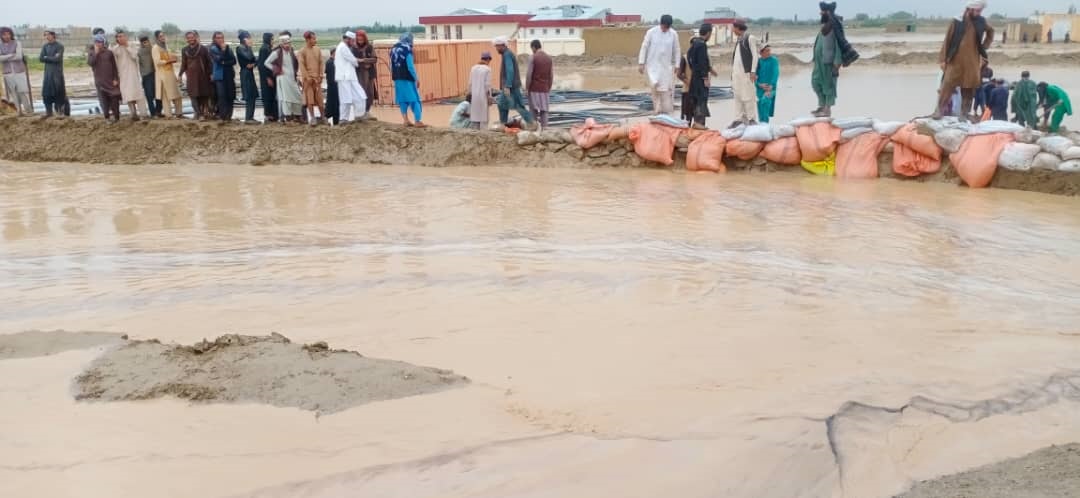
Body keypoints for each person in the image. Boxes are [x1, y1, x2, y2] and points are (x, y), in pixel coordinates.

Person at [935, 1, 995, 121]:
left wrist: (984, 46)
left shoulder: (981, 21)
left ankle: (964, 113)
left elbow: (991, 31)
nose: (979, 13)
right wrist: (943, 59)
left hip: (972, 61)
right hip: (955, 60)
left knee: (969, 88)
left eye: (980, 11)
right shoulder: (957, 21)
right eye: (977, 11)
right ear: (970, 9)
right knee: (947, 85)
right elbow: (947, 39)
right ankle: (938, 111)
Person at [637, 14, 680, 115]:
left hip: (666, 66)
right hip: (653, 65)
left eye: (667, 27)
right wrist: (641, 63)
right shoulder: (651, 32)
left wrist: (677, 65)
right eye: (664, 27)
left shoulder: (673, 34)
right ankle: (657, 109)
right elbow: (644, 47)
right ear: (661, 24)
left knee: (665, 89)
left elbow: (677, 50)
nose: (665, 29)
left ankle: (666, 111)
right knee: (655, 87)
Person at [494, 36, 535, 129]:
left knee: (517, 105)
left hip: (511, 87)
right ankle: (503, 123)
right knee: (502, 105)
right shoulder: (507, 54)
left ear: (502, 45)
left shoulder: (507, 55)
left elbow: (510, 70)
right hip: (511, 86)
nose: (496, 48)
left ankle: (531, 122)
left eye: (497, 46)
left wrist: (508, 85)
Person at [263, 32, 303, 122]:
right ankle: (287, 116)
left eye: (288, 43)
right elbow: (266, 63)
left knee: (297, 95)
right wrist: (276, 69)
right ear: (281, 44)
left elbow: (294, 64)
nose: (287, 45)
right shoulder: (277, 52)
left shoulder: (291, 51)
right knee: (286, 99)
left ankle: (297, 115)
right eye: (285, 43)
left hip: (292, 77)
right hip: (283, 78)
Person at [811, 12, 843, 118]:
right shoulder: (823, 30)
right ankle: (822, 105)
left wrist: (837, 63)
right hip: (819, 63)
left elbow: (839, 48)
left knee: (828, 86)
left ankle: (827, 109)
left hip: (829, 64)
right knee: (815, 83)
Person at [391, 32, 425, 127]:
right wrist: (416, 78)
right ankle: (417, 121)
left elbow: (391, 66)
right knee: (414, 99)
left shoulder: (393, 49)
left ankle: (406, 120)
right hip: (407, 78)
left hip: (397, 78)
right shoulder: (407, 49)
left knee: (402, 99)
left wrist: (394, 76)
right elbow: (410, 66)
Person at [334, 31, 368, 123]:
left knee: (360, 95)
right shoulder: (342, 47)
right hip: (344, 77)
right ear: (348, 39)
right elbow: (352, 60)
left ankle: (359, 115)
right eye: (352, 41)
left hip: (350, 77)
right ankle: (344, 119)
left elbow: (352, 59)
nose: (353, 43)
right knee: (346, 99)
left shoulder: (344, 47)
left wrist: (357, 60)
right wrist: (359, 60)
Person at [112, 31, 146, 121]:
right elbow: (114, 64)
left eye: (122, 36)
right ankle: (133, 114)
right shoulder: (115, 49)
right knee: (127, 95)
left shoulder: (132, 46)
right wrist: (116, 77)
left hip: (133, 75)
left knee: (138, 94)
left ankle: (143, 114)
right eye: (118, 37)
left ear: (126, 37)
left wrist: (127, 46)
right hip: (123, 76)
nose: (120, 38)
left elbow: (135, 56)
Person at [687, 24, 716, 129]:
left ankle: (696, 125)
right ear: (708, 33)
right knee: (701, 102)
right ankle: (700, 127)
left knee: (695, 102)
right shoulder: (702, 45)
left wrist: (709, 70)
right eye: (710, 34)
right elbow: (702, 61)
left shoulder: (694, 43)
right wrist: (705, 78)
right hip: (700, 80)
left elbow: (690, 59)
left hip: (694, 77)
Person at [179, 31, 213, 119]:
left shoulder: (203, 49)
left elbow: (209, 62)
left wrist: (211, 73)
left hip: (203, 75)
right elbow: (184, 64)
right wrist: (180, 74)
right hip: (191, 77)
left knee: (203, 95)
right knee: (193, 95)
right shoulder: (184, 50)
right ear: (186, 39)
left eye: (192, 37)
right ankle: (198, 113)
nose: (190, 39)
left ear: (195, 37)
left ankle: (203, 113)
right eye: (188, 38)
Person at [730, 22, 759, 126]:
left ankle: (751, 118)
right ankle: (738, 119)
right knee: (737, 96)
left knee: (748, 96)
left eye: (733, 28)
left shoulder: (750, 38)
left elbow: (755, 55)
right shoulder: (739, 39)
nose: (732, 30)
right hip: (736, 74)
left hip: (746, 73)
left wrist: (753, 71)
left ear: (738, 28)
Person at [88, 34, 122, 122]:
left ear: (103, 43)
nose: (98, 44)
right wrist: (96, 53)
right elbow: (91, 63)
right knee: (104, 101)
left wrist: (115, 79)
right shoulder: (92, 53)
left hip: (110, 81)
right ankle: (107, 117)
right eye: (96, 42)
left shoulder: (109, 53)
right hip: (100, 82)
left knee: (115, 98)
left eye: (99, 42)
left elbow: (114, 67)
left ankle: (117, 117)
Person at [0, 26, 32, 115]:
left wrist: (5, 57)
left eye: (8, 34)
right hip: (7, 72)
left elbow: (19, 56)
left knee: (22, 91)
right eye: (4, 34)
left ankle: (28, 110)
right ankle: (19, 111)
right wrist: (11, 55)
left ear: (11, 34)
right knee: (13, 93)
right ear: (1, 36)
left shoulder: (17, 43)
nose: (7, 36)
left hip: (19, 71)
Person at [152, 31, 183, 118]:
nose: (163, 37)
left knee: (177, 94)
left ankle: (179, 113)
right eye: (160, 36)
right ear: (157, 38)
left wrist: (174, 57)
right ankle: (168, 115)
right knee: (165, 98)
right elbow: (157, 62)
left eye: (163, 35)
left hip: (170, 74)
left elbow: (170, 56)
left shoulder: (165, 46)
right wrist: (169, 61)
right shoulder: (155, 48)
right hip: (163, 76)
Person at [39, 30, 69, 117]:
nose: (46, 37)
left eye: (48, 35)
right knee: (46, 93)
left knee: (58, 93)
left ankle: (60, 112)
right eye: (45, 35)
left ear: (53, 35)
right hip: (47, 74)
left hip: (57, 74)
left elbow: (57, 59)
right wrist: (51, 57)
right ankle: (49, 113)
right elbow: (40, 58)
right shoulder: (45, 46)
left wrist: (46, 57)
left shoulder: (59, 46)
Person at [819, 2, 859, 67]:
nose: (820, 13)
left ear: (827, 12)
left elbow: (837, 48)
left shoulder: (833, 27)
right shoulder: (830, 24)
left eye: (822, 11)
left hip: (829, 63)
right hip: (823, 62)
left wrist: (836, 67)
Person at [298, 31, 325, 124]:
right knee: (310, 100)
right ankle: (312, 118)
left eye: (315, 38)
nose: (315, 40)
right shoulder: (302, 51)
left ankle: (322, 117)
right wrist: (307, 77)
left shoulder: (317, 49)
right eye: (313, 39)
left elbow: (321, 63)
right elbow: (302, 66)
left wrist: (321, 75)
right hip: (308, 80)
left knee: (320, 100)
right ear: (307, 39)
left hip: (317, 79)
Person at [209, 31, 236, 122]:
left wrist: (225, 62)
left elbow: (234, 61)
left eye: (221, 37)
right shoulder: (213, 48)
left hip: (229, 74)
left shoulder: (228, 48)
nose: (220, 39)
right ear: (214, 39)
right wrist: (224, 51)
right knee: (222, 96)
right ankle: (222, 116)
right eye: (218, 38)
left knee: (230, 95)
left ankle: (229, 116)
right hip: (219, 76)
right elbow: (218, 59)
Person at [526, 40, 553, 130]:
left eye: (531, 48)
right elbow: (551, 75)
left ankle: (534, 131)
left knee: (533, 111)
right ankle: (545, 130)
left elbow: (529, 74)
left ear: (533, 47)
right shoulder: (549, 58)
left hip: (534, 88)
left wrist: (527, 88)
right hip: (545, 89)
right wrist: (548, 87)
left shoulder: (533, 57)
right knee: (544, 111)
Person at [236, 31, 259, 123]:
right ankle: (248, 118)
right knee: (249, 95)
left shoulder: (247, 48)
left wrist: (253, 63)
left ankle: (250, 117)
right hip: (245, 74)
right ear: (244, 39)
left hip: (249, 72)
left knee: (253, 95)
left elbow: (254, 60)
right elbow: (250, 58)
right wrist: (254, 62)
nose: (250, 40)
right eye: (249, 38)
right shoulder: (240, 48)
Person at [353, 30, 378, 113]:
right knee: (360, 92)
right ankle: (360, 111)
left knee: (370, 92)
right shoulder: (353, 48)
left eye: (362, 40)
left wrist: (364, 60)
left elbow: (374, 59)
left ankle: (367, 110)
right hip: (359, 73)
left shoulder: (369, 47)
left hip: (369, 73)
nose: (360, 42)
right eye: (358, 40)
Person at [138, 35, 162, 117]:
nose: (145, 43)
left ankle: (158, 111)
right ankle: (153, 113)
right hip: (146, 76)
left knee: (158, 93)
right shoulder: (140, 52)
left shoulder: (153, 49)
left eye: (146, 41)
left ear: (149, 41)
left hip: (155, 74)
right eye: (143, 42)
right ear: (141, 43)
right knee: (149, 95)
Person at [257, 32, 278, 122]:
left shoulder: (268, 48)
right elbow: (262, 65)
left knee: (271, 95)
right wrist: (268, 78)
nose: (273, 41)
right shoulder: (264, 49)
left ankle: (272, 114)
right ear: (268, 39)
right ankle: (269, 115)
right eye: (272, 39)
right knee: (268, 95)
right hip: (267, 77)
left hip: (270, 76)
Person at [468, 52, 492, 130]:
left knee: (475, 117)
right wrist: (489, 97)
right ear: (488, 59)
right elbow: (487, 85)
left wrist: (470, 94)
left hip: (474, 96)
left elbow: (470, 83)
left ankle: (475, 135)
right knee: (484, 118)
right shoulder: (487, 69)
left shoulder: (473, 68)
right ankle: (484, 135)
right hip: (483, 97)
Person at [756, 44, 779, 123]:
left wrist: (771, 86)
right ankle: (762, 125)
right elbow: (753, 76)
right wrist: (759, 84)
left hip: (771, 88)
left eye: (769, 50)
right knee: (760, 108)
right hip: (759, 89)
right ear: (761, 53)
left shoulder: (774, 60)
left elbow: (775, 74)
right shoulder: (758, 62)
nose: (769, 52)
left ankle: (765, 125)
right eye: (767, 51)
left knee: (765, 101)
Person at [677, 54, 693, 125]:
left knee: (699, 118)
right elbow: (679, 74)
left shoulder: (702, 56)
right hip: (688, 91)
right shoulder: (685, 58)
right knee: (687, 118)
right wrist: (688, 82)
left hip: (698, 93)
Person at [325, 48, 339, 125]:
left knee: (334, 106)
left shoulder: (332, 62)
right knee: (332, 106)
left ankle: (335, 122)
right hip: (333, 88)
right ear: (333, 53)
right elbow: (332, 78)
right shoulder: (330, 63)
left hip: (334, 88)